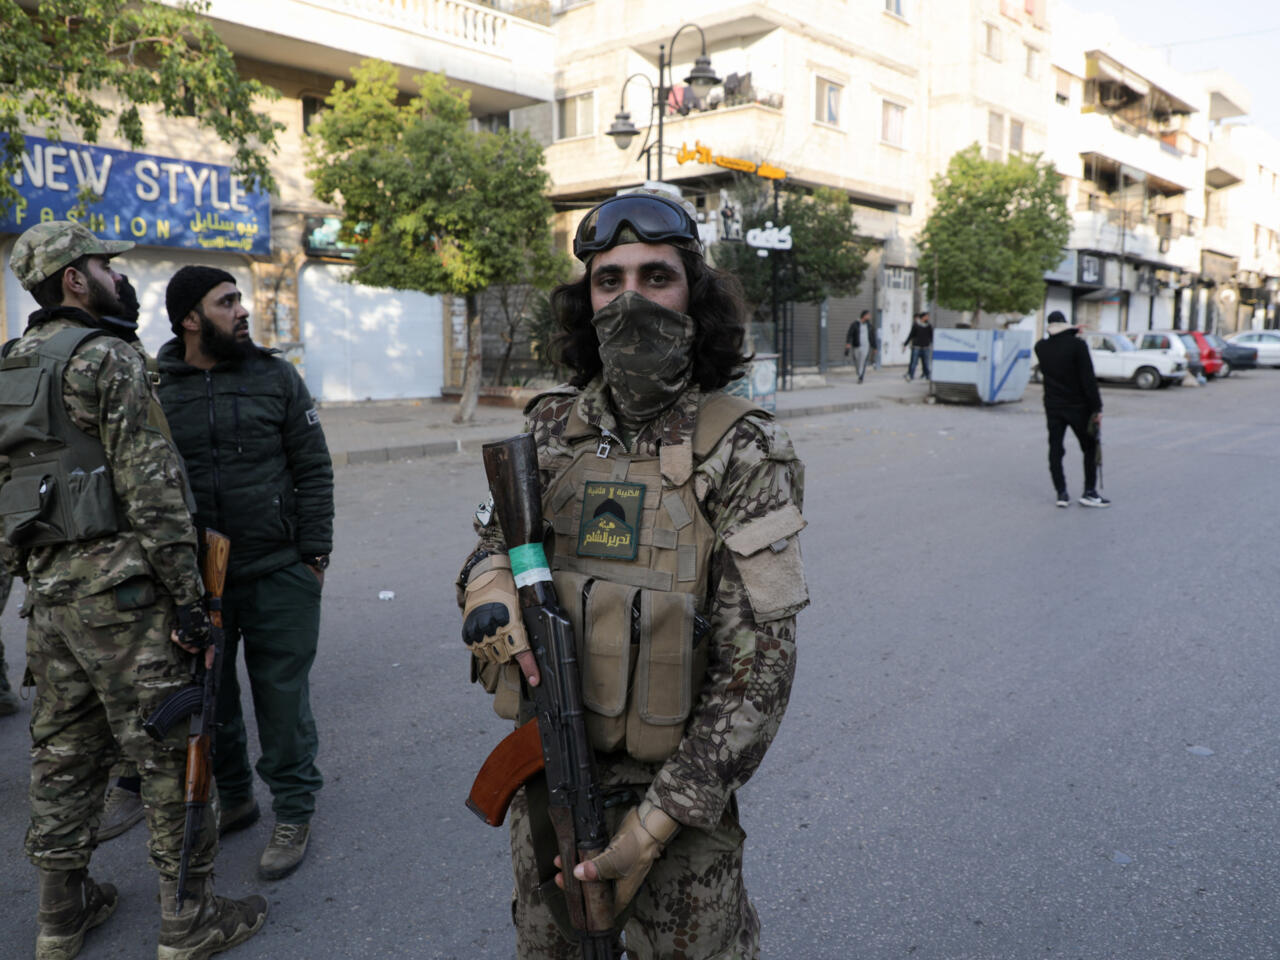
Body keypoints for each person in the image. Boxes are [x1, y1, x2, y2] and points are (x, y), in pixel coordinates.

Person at [457, 191, 810, 959]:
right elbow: (492, 547)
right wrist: (488, 596)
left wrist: (650, 832)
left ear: (696, 297)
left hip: (678, 810)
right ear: (585, 303)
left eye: (657, 277)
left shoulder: (743, 451)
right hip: (548, 781)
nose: (630, 299)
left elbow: (760, 675)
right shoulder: (552, 430)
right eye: (608, 280)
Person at [2, 221, 266, 959]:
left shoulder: (10, 366)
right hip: (126, 604)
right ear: (75, 281)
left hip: (50, 602)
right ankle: (188, 918)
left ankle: (60, 916)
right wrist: (189, 600)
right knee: (168, 753)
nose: (122, 279)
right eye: (105, 266)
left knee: (61, 757)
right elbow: (152, 491)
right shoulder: (109, 359)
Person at [153, 265, 335, 881]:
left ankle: (293, 809)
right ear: (190, 319)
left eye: (239, 299)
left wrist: (313, 557)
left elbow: (313, 468)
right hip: (200, 581)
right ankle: (235, 797)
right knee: (214, 700)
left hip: (280, 568)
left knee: (282, 700)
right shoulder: (158, 388)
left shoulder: (275, 376)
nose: (242, 310)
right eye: (226, 302)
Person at [1033, 311, 1109, 508]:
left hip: (1053, 406)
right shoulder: (1077, 346)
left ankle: (1061, 493)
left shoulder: (1041, 347)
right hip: (1078, 407)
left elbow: (1057, 344)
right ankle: (1089, 492)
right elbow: (1088, 378)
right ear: (1065, 325)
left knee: (1056, 449)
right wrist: (1097, 408)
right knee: (1090, 447)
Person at [844, 309, 877, 383]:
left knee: (863, 361)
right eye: (868, 315)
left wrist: (874, 347)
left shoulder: (869, 326)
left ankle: (861, 377)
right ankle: (859, 372)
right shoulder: (855, 324)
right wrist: (848, 343)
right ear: (864, 316)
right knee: (857, 361)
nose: (869, 317)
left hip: (866, 346)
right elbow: (849, 334)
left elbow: (872, 337)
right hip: (856, 345)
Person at [903, 310, 932, 381]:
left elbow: (931, 336)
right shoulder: (916, 325)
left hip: (926, 347)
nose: (927, 318)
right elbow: (911, 335)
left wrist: (931, 343)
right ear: (922, 317)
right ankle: (911, 375)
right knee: (914, 362)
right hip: (917, 347)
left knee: (926, 363)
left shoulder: (929, 326)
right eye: (926, 316)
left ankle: (927, 376)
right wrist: (905, 344)